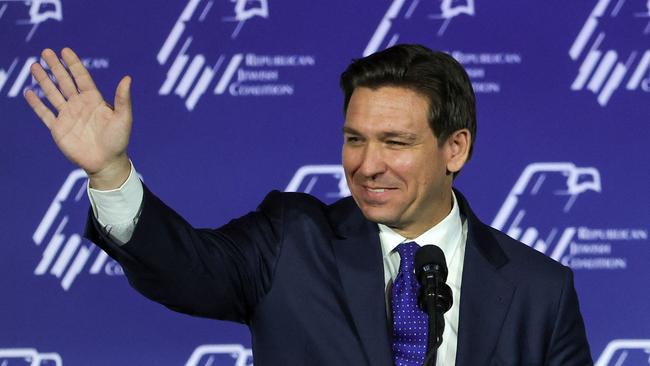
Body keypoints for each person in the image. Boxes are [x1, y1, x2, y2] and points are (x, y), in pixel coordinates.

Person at [25, 44, 592, 365]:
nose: (367, 165)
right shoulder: (291, 240)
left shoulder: (540, 290)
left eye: (395, 143)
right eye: (354, 139)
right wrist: (109, 171)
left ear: (455, 148)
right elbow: (184, 268)